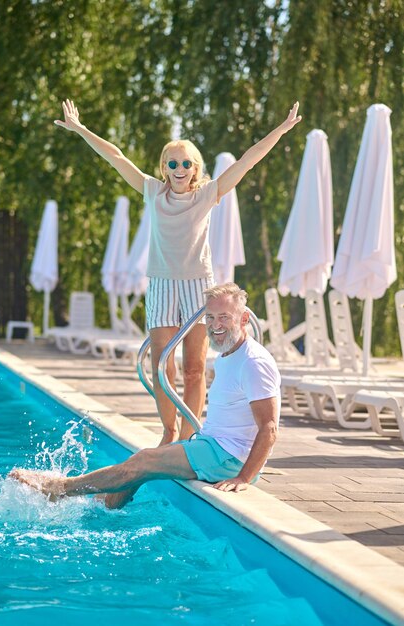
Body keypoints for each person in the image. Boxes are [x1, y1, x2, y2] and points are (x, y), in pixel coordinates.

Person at [53, 100, 300, 445]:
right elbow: (117, 157)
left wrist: (282, 129)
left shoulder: (208, 194)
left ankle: (188, 438)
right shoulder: (153, 191)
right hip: (162, 284)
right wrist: (80, 129)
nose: (179, 168)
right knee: (161, 367)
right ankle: (169, 433)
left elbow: (247, 161)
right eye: (173, 163)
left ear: (195, 168)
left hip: (199, 286)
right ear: (165, 168)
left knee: (194, 369)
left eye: (186, 163)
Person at [10, 283, 281, 509]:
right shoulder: (228, 353)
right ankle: (105, 506)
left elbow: (269, 428)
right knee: (142, 463)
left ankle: (60, 487)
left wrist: (244, 477)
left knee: (144, 461)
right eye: (210, 318)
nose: (215, 325)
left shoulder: (253, 362)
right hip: (215, 447)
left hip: (227, 457)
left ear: (244, 319)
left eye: (224, 317)